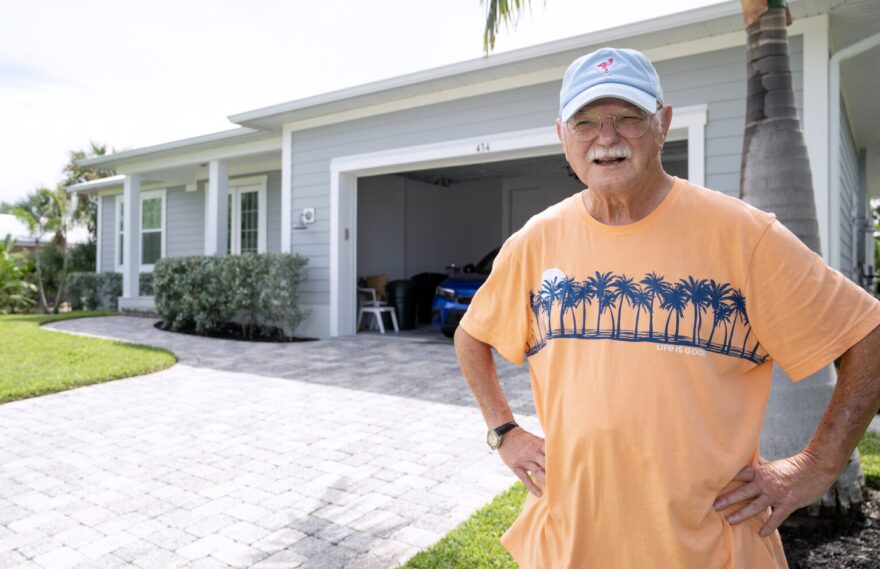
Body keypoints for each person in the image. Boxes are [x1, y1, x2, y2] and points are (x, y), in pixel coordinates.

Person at [454, 46, 880, 569]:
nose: (605, 138)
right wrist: (504, 432)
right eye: (585, 122)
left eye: (627, 118)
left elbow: (868, 332)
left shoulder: (743, 235)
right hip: (568, 546)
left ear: (663, 123)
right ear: (561, 135)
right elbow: (471, 335)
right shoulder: (535, 241)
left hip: (707, 550)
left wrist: (818, 464)